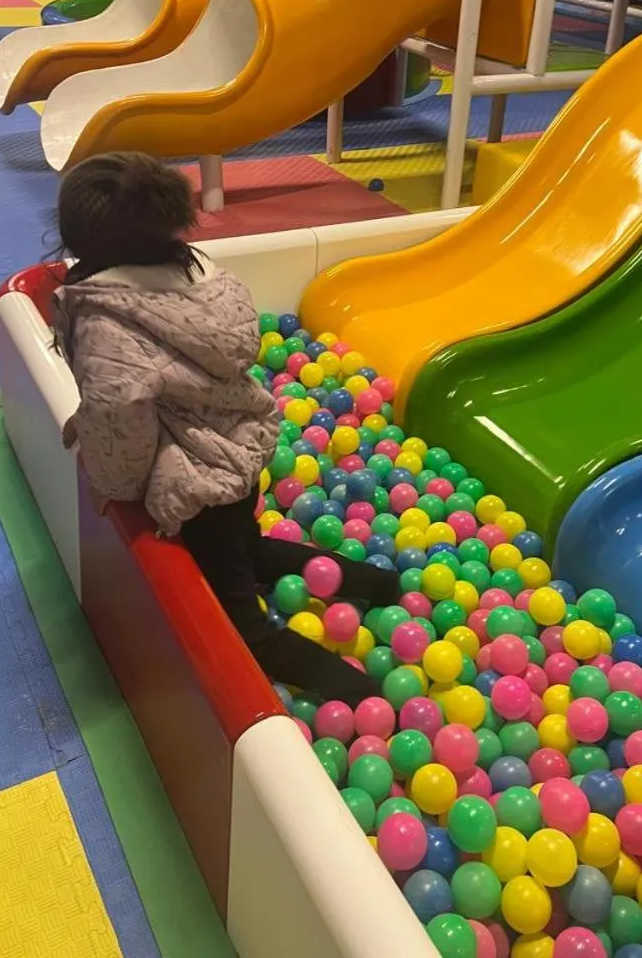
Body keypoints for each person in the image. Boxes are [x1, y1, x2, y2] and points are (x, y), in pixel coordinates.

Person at [52, 151, 398, 706]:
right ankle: (380, 584)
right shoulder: (198, 273)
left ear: (78, 239)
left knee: (238, 625)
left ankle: (368, 692)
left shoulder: (106, 319)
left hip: (195, 487)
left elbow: (120, 421)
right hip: (240, 459)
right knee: (248, 551)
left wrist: (117, 490)